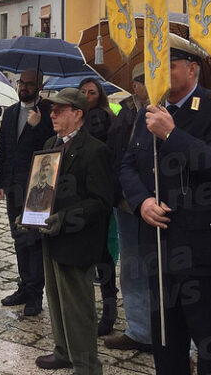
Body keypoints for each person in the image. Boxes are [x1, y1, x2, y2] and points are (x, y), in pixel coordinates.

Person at [119, 37, 211, 375]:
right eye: (154, 67)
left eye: (168, 66)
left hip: (208, 255)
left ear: (192, 69)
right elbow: (128, 165)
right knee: (167, 348)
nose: (157, 74)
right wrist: (142, 201)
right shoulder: (150, 112)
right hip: (160, 253)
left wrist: (172, 134)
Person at [34, 88, 113, 375]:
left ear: (77, 114)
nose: (52, 114)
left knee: (78, 307)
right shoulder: (50, 143)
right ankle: (63, 351)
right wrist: (32, 213)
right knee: (55, 298)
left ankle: (87, 365)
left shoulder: (95, 150)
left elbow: (101, 202)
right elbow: (41, 186)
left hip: (77, 239)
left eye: (59, 110)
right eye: (51, 110)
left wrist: (64, 218)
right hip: (51, 235)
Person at [0, 69, 54, 316]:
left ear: (39, 86)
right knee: (19, 239)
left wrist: (39, 127)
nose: (24, 88)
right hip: (13, 187)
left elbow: (53, 146)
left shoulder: (48, 114)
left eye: (29, 84)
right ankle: (24, 286)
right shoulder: (10, 113)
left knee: (34, 242)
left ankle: (35, 295)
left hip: (38, 186)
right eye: (21, 83)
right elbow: (3, 148)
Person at [103, 62, 153, 352]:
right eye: (143, 80)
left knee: (161, 268)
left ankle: (168, 333)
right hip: (126, 200)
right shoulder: (124, 111)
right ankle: (138, 329)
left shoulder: (170, 110)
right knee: (132, 266)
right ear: (135, 84)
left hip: (158, 201)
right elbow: (115, 151)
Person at [80, 76, 119, 337]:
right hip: (92, 191)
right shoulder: (90, 115)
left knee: (101, 253)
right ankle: (105, 310)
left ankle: (108, 312)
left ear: (100, 96)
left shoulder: (97, 117)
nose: (86, 96)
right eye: (82, 92)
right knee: (99, 253)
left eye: (91, 92)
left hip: (97, 192)